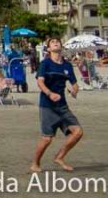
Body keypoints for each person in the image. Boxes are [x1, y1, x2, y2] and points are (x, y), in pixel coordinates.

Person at [31, 38, 82, 173]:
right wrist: (49, 93)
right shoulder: (45, 64)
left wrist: (74, 91)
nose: (55, 43)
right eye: (52, 42)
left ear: (61, 46)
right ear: (48, 48)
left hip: (62, 106)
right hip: (47, 105)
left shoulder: (67, 65)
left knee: (78, 132)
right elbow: (40, 82)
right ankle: (35, 164)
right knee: (47, 139)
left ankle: (59, 157)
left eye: (57, 42)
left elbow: (75, 85)